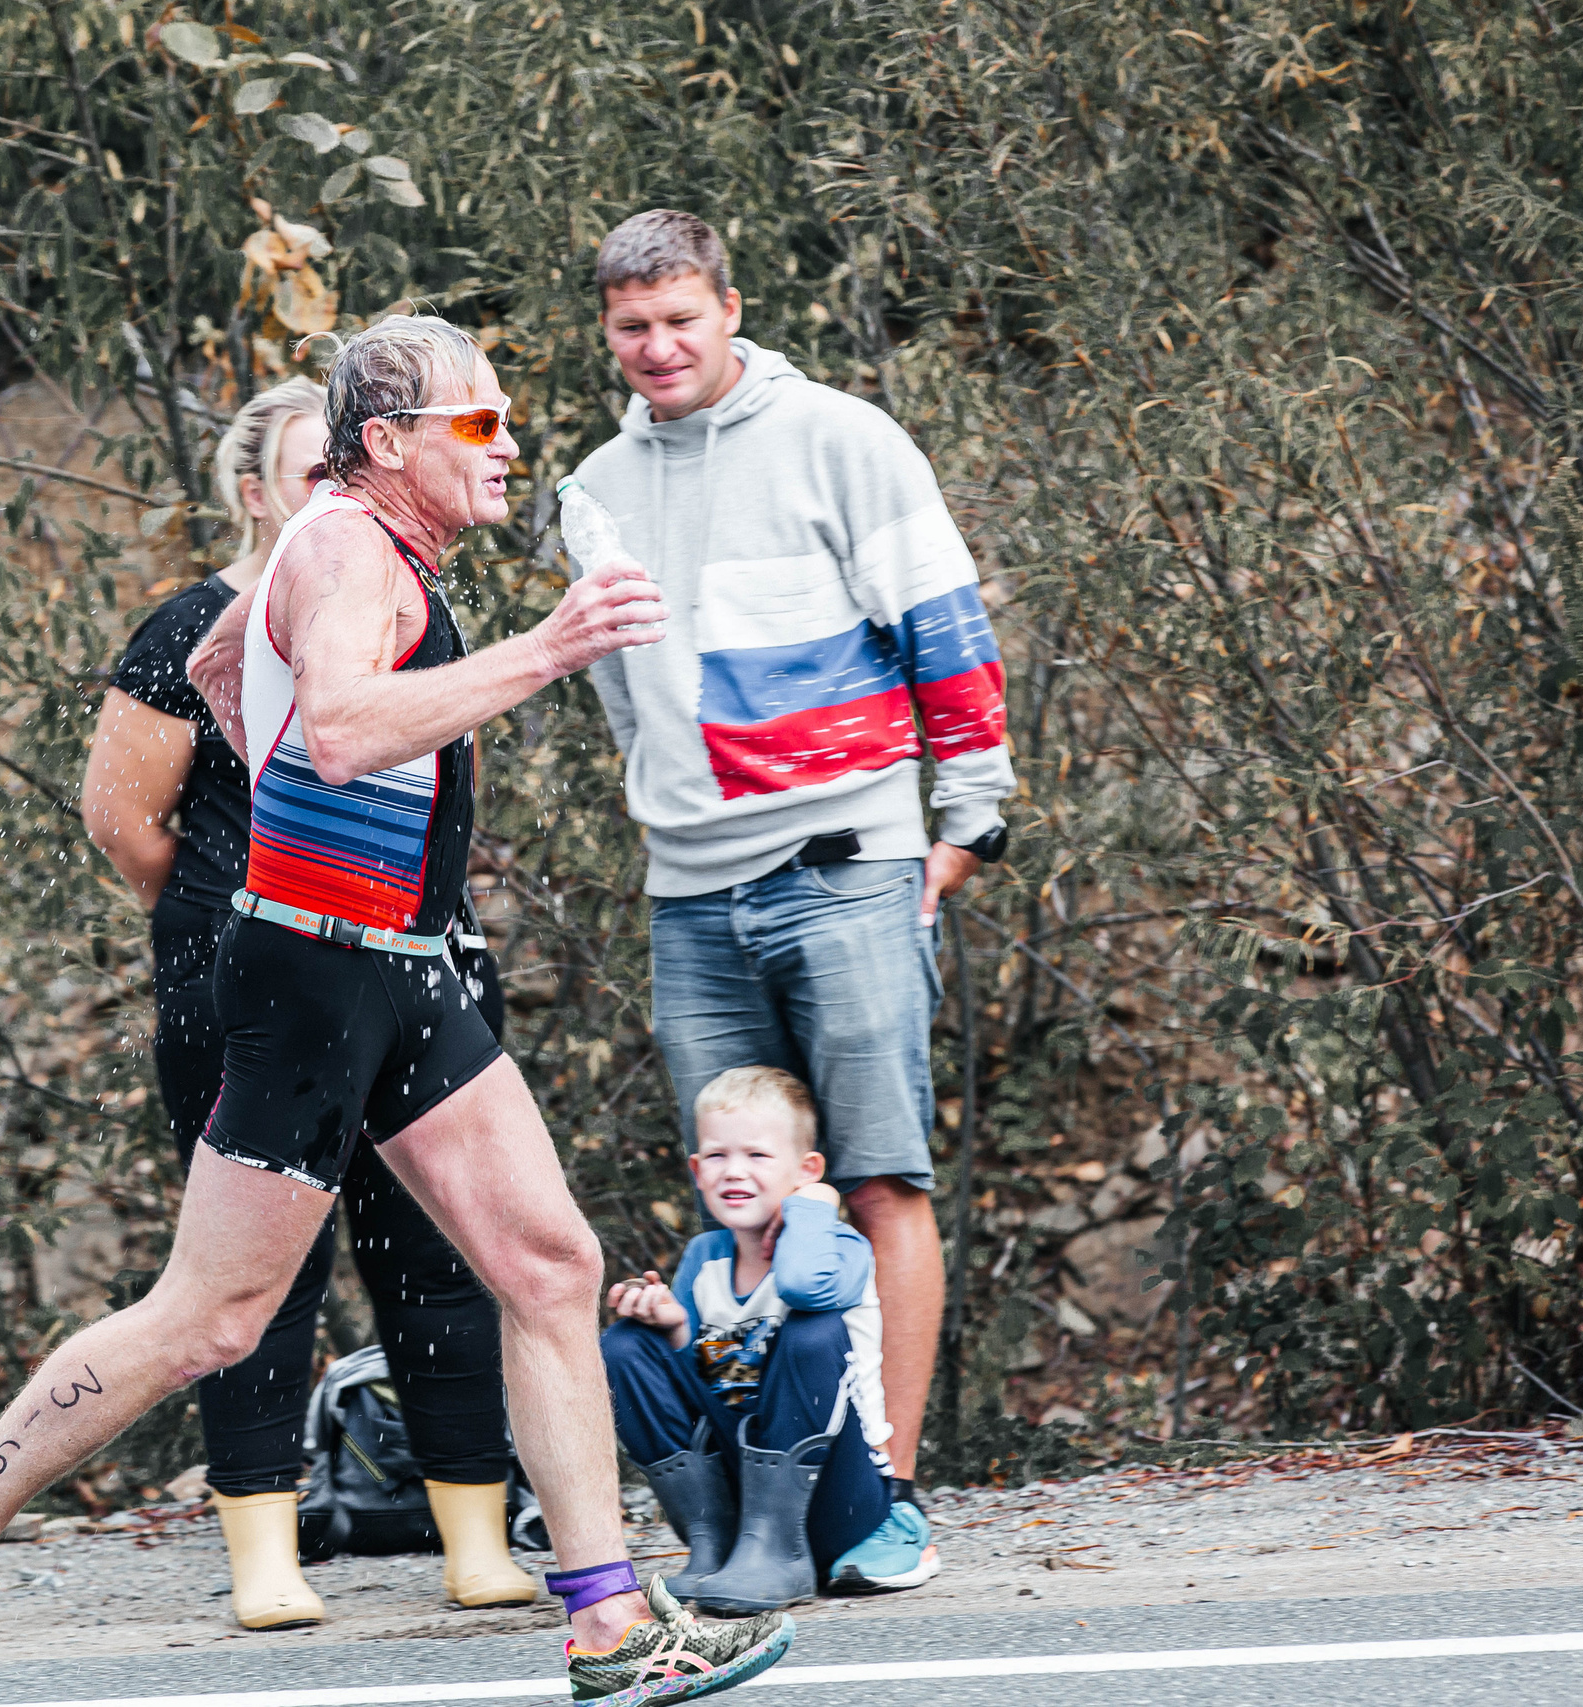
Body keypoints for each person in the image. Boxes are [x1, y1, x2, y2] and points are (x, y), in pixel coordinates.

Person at [0, 314, 795, 1707]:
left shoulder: (334, 541)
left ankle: (610, 1624)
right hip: (312, 980)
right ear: (388, 442)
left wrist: (310, 826)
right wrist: (551, 647)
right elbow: (347, 726)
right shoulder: (355, 547)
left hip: (393, 962)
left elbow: (234, 668)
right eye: (476, 424)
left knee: (547, 1263)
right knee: (213, 1316)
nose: (506, 447)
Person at [566, 209, 1016, 1588]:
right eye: (632, 327)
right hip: (690, 892)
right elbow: (614, 689)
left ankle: (885, 1492)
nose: (658, 347)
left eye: (680, 320)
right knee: (742, 1198)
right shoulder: (589, 485)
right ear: (608, 332)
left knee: (876, 1174)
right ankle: (769, 1505)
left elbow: (944, 625)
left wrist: (965, 825)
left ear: (729, 308)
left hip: (847, 865)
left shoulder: (843, 438)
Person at [80, 376, 534, 1629]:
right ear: (251, 494)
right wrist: (238, 916)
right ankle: (265, 1558)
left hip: (411, 962)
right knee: (251, 1278)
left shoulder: (404, 600)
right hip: (256, 983)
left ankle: (475, 1539)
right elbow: (122, 822)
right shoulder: (191, 628)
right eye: (299, 473)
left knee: (441, 1256)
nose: (322, 497)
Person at [603, 1067, 924, 1611]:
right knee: (626, 1345)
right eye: (718, 1156)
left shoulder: (838, 1250)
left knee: (813, 1328)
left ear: (806, 1171)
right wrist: (675, 1328)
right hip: (742, 1510)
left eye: (757, 1155)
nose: (735, 1171)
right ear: (697, 1170)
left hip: (842, 1498)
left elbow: (803, 1285)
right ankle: (716, 1547)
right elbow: (707, 1391)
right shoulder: (705, 1260)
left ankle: (779, 1556)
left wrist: (815, 1204)